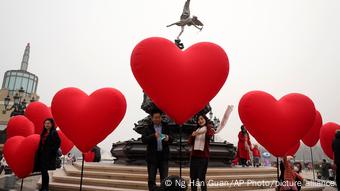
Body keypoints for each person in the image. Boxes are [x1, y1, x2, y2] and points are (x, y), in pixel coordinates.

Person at [142, 109, 172, 191]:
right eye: (155, 117)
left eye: (159, 117)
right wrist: (153, 136)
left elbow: (172, 139)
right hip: (152, 157)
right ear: (152, 118)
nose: (157, 119)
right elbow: (144, 140)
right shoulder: (148, 127)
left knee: (165, 179)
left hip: (163, 157)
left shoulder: (166, 126)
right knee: (151, 179)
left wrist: (168, 138)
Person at [188, 114, 214, 191]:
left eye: (202, 119)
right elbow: (190, 142)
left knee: (201, 177)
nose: (200, 121)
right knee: (193, 178)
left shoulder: (208, 129)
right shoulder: (196, 130)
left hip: (203, 157)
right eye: (198, 120)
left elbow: (209, 136)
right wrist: (192, 136)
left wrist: (208, 128)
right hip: (194, 156)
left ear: (205, 120)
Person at [35, 118, 61, 191]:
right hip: (42, 154)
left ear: (52, 124)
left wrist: (52, 150)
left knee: (45, 171)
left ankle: (45, 188)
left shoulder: (54, 132)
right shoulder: (43, 132)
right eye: (45, 123)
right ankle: (43, 187)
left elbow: (58, 143)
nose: (46, 125)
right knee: (43, 171)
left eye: (48, 123)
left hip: (48, 155)